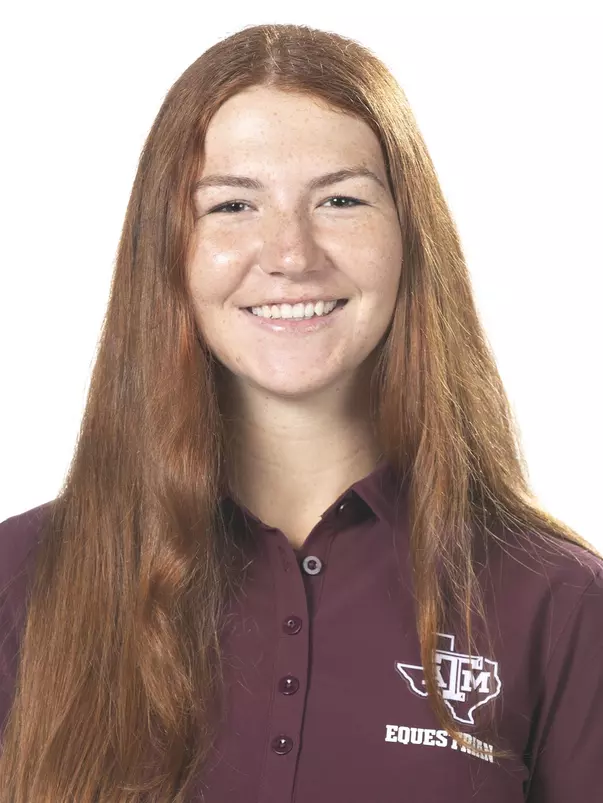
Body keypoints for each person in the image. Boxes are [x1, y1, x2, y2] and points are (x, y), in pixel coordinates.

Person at [0, 22, 601, 803]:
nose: (290, 253)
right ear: (167, 248)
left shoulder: (554, 599)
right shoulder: (21, 578)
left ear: (410, 237)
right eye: (232, 205)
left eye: (341, 199)